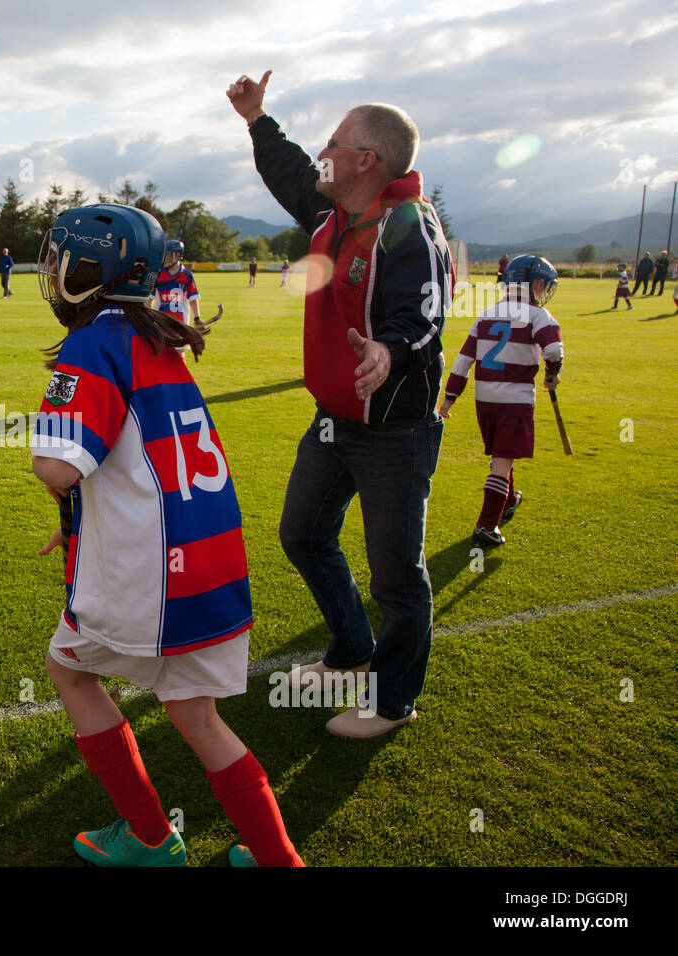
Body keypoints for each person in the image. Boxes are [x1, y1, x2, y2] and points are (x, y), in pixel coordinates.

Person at [31, 203, 303, 868]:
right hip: (206, 554)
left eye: (60, 259)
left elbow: (58, 466)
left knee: (67, 671)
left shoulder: (94, 340)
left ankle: (151, 836)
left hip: (150, 571)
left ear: (87, 271)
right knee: (196, 715)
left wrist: (58, 483)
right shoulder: (155, 334)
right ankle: (278, 860)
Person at [227, 70, 451, 739]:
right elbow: (293, 173)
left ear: (366, 160)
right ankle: (352, 653)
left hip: (394, 429)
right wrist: (257, 119)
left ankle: (393, 700)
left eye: (333, 142)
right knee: (303, 534)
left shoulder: (411, 227)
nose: (320, 152)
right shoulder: (334, 207)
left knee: (397, 580)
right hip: (335, 420)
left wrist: (391, 350)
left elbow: (426, 311)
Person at [438, 255, 563, 547]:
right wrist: (552, 375)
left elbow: (463, 361)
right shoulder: (538, 315)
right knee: (502, 460)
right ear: (538, 284)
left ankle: (508, 501)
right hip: (515, 399)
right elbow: (554, 350)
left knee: (504, 453)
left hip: (485, 399)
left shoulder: (485, 315)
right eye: (545, 287)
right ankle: (486, 525)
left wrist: (449, 398)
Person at [151, 239, 201, 330]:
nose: (165, 258)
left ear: (177, 255)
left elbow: (193, 299)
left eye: (169, 255)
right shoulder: (158, 274)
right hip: (161, 324)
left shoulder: (187, 275)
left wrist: (197, 318)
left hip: (181, 325)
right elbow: (149, 300)